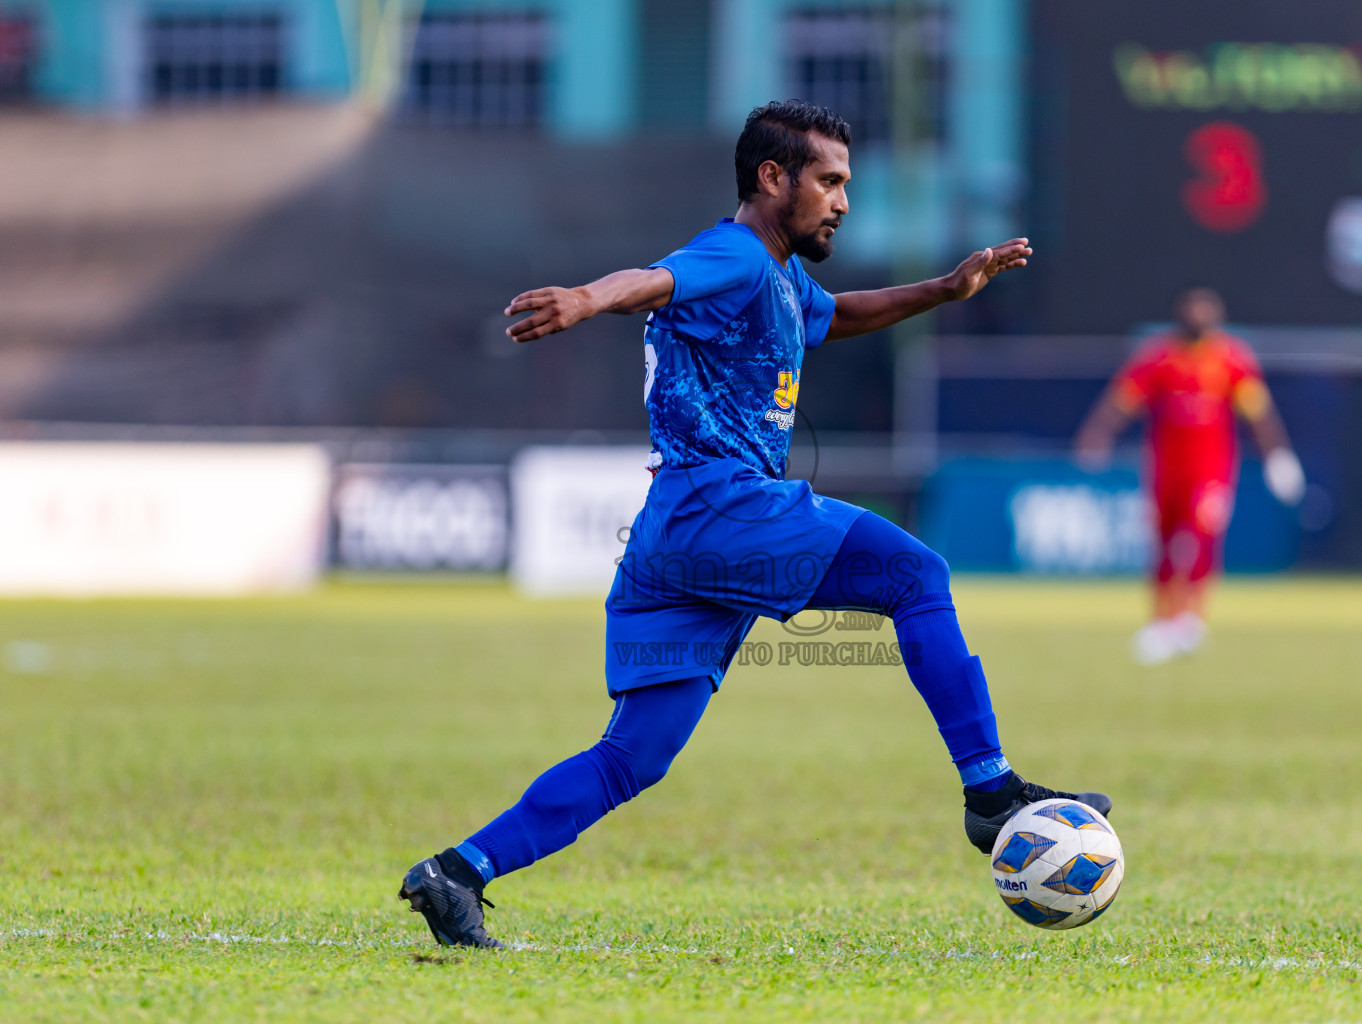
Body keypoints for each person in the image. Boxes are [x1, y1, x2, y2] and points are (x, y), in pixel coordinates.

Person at [397, 100, 1111, 948]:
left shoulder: (778, 276)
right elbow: (656, 281)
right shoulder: (735, 252)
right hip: (721, 508)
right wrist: (590, 297)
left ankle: (457, 871)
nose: (844, 201)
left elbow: (833, 317)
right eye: (830, 181)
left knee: (634, 758)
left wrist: (946, 289)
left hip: (674, 538)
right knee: (915, 575)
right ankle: (991, 791)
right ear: (773, 178)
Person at [1074, 288, 1305, 665]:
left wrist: (1278, 456)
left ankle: (1192, 619)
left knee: (1201, 536)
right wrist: (1096, 435)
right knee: (1163, 540)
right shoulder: (1159, 359)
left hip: (1211, 468)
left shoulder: (1231, 360)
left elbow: (1259, 414)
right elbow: (1121, 401)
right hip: (1166, 466)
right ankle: (1162, 620)